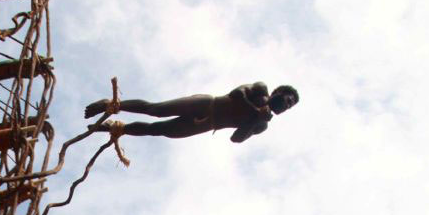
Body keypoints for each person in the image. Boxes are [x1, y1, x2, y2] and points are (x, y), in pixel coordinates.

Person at [84, 82, 299, 144]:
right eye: (288, 100)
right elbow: (236, 93)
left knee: (156, 130)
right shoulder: (260, 90)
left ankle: (116, 128)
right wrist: (256, 109)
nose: (286, 105)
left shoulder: (261, 124)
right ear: (278, 91)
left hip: (205, 125)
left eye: (290, 107)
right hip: (207, 105)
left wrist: (254, 120)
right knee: (155, 110)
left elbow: (236, 138)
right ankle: (111, 105)